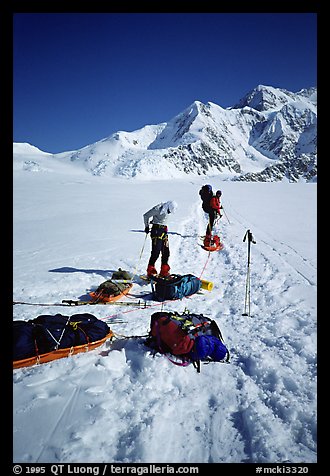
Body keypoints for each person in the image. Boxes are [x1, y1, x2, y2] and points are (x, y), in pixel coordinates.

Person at [143, 200, 178, 277]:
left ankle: (164, 270)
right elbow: (146, 215)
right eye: (168, 210)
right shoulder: (157, 209)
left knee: (166, 252)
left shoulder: (168, 210)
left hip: (164, 231)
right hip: (156, 231)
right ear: (167, 207)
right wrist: (146, 226)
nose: (169, 212)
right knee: (156, 252)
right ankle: (150, 270)